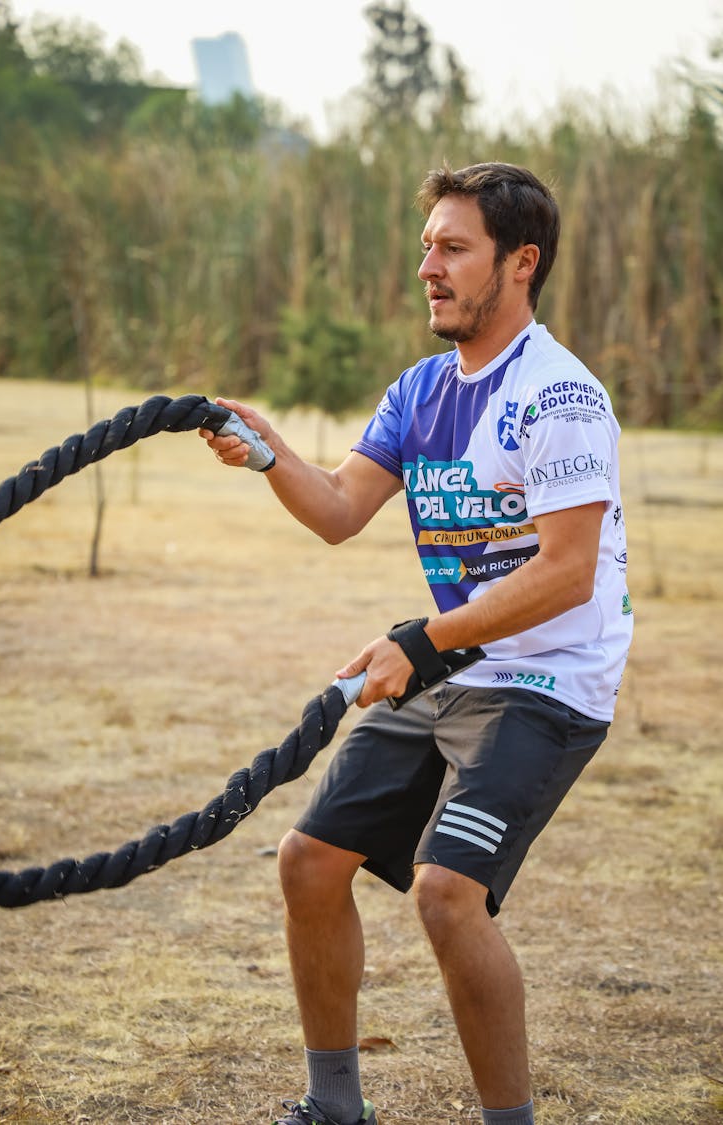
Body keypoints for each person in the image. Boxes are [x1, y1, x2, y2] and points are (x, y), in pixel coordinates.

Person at [199, 162, 633, 1125]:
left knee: (445, 892)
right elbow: (342, 508)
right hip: (455, 662)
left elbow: (569, 572)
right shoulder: (421, 389)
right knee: (308, 862)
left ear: (521, 264)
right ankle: (335, 1107)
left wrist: (421, 642)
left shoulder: (561, 398)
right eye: (427, 244)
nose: (427, 266)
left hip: (550, 679)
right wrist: (268, 448)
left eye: (452, 247)